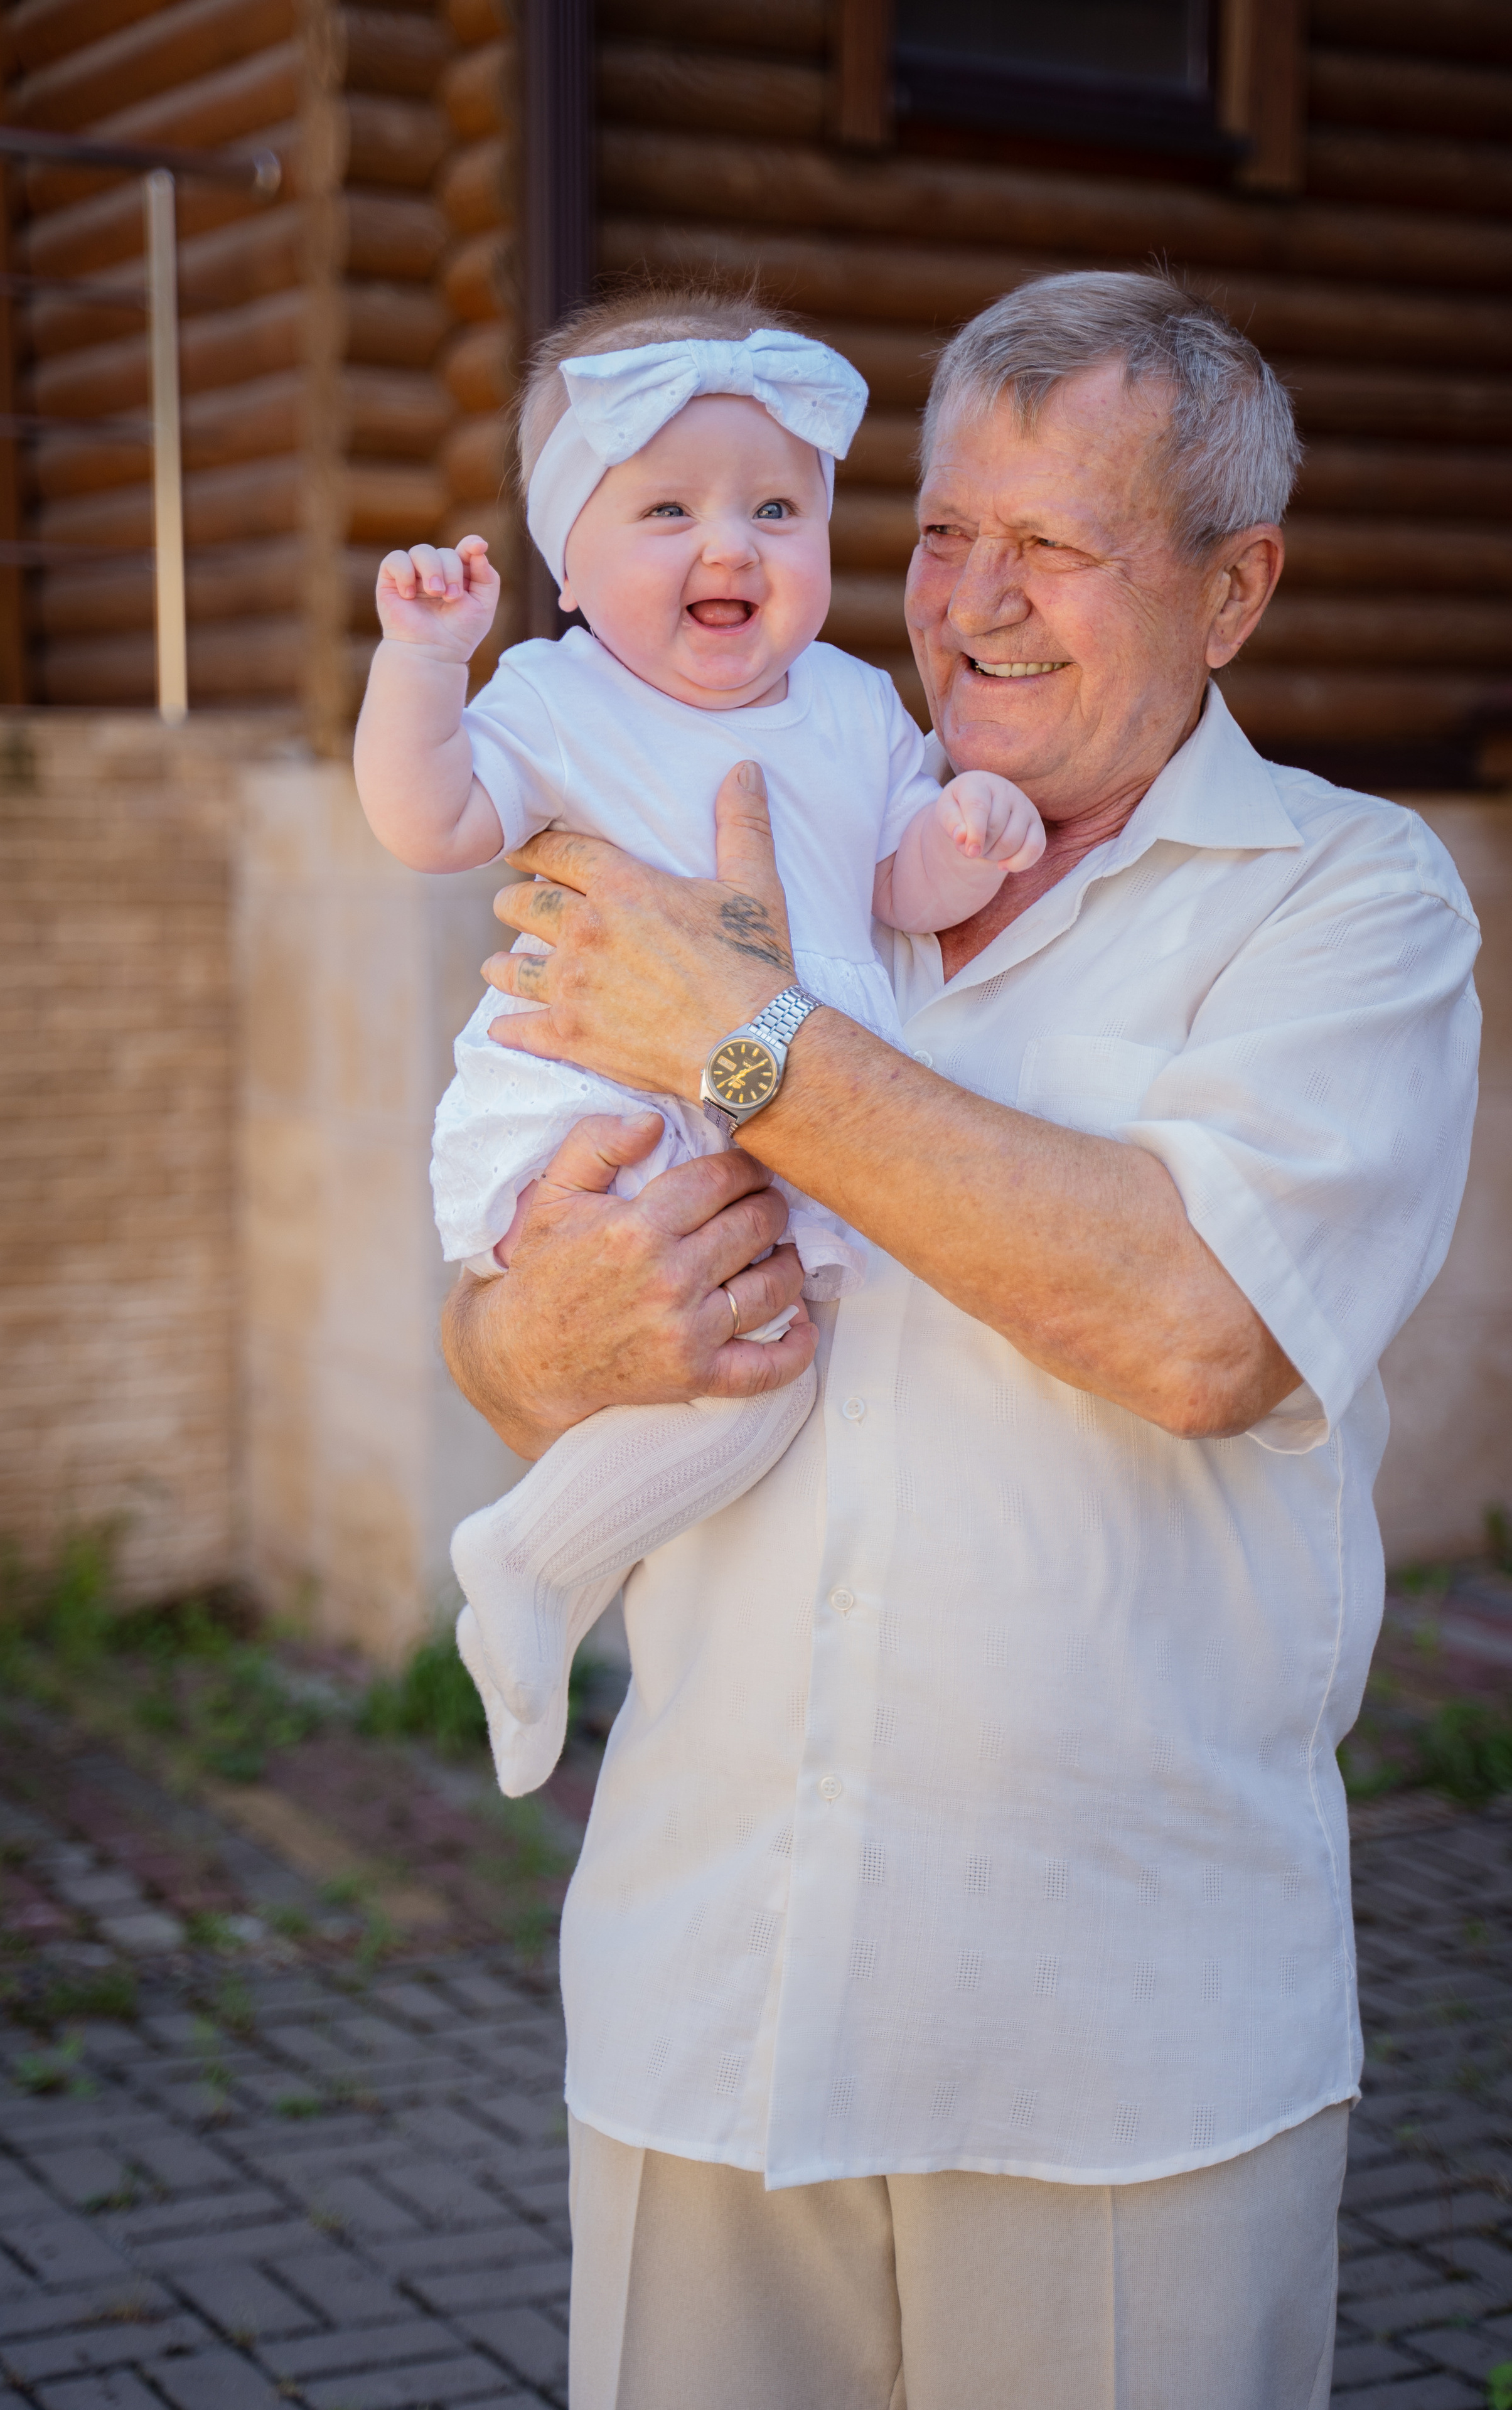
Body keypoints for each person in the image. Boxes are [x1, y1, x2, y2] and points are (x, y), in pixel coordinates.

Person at [442, 271, 1481, 2409]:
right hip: (704, 1999)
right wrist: (543, 1340)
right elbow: (505, 1332)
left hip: (1114, 2051)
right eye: (936, 533)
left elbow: (1201, 1328)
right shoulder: (771, 784)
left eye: (1056, 548)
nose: (968, 603)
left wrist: (743, 1037)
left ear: (1234, 587)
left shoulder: (1347, 904)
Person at [351, 292, 1043, 1797]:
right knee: (730, 1355)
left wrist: (963, 837)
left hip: (796, 1112)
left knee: (767, 1371)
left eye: (775, 507)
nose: (728, 545)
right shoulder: (553, 697)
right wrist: (424, 664)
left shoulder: (856, 708)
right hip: (596, 1105)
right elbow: (429, 821)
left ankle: (531, 1563)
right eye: (666, 508)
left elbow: (890, 887)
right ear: (571, 565)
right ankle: (535, 1567)